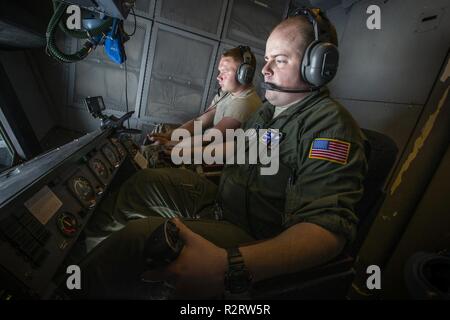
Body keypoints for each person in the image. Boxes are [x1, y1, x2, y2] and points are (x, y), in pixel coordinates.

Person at [69, 7, 368, 299]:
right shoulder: (269, 111)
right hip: (221, 201)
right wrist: (181, 149)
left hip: (254, 234)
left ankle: (72, 289)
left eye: (279, 60)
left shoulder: (330, 126)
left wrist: (230, 265)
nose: (265, 70)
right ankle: (80, 251)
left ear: (316, 68)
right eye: (266, 59)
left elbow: (326, 232)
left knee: (140, 239)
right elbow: (239, 147)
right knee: (143, 184)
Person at [142, 46, 262, 168]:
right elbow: (199, 122)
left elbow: (210, 137)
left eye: (225, 71)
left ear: (244, 74)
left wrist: (171, 143)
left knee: (155, 153)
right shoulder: (228, 93)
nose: (219, 77)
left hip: (214, 161)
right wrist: (170, 135)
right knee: (161, 130)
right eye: (220, 71)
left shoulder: (245, 103)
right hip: (205, 146)